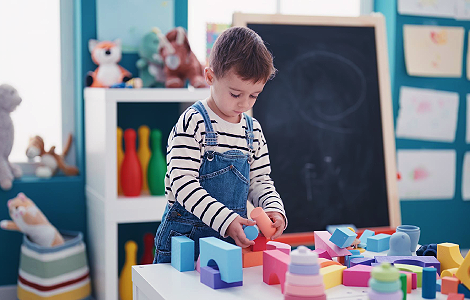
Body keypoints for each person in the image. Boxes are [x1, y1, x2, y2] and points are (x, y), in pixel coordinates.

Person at [153, 26, 287, 263]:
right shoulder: (194, 122)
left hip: (228, 241)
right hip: (185, 239)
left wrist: (274, 208)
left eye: (254, 95)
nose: (244, 103)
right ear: (210, 77)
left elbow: (260, 181)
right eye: (236, 94)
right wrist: (226, 220)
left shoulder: (252, 130)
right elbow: (183, 184)